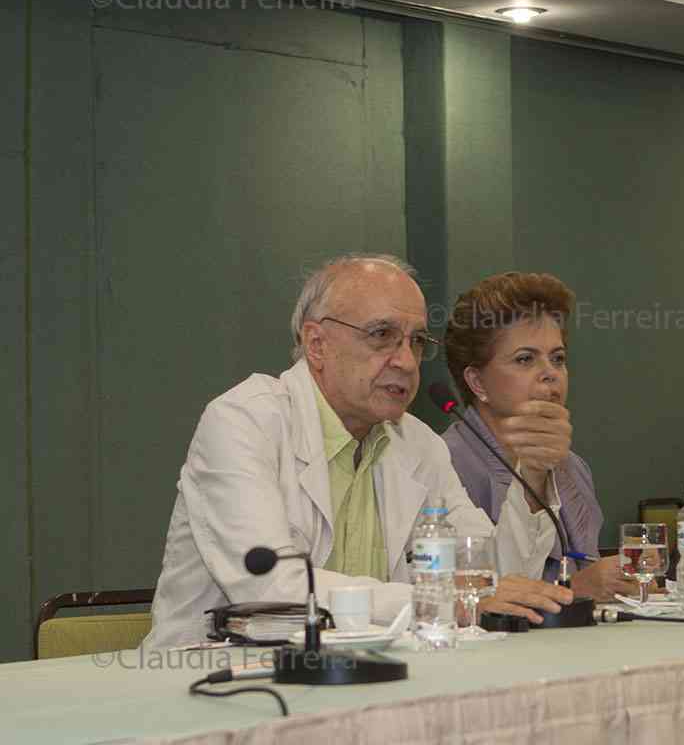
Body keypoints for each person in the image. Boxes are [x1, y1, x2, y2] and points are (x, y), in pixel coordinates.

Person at [144, 255, 571, 648]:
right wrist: (443, 600)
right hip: (217, 679)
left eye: (417, 341)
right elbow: (272, 589)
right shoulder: (243, 421)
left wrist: (532, 470)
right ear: (317, 344)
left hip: (365, 676)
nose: (406, 360)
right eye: (382, 335)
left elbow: (496, 582)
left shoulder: (417, 443)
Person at [441, 272, 638, 601]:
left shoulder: (573, 466)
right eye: (525, 359)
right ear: (477, 383)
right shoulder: (445, 464)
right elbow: (474, 597)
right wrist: (575, 591)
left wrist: (621, 582)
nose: (550, 373)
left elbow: (585, 564)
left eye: (558, 358)